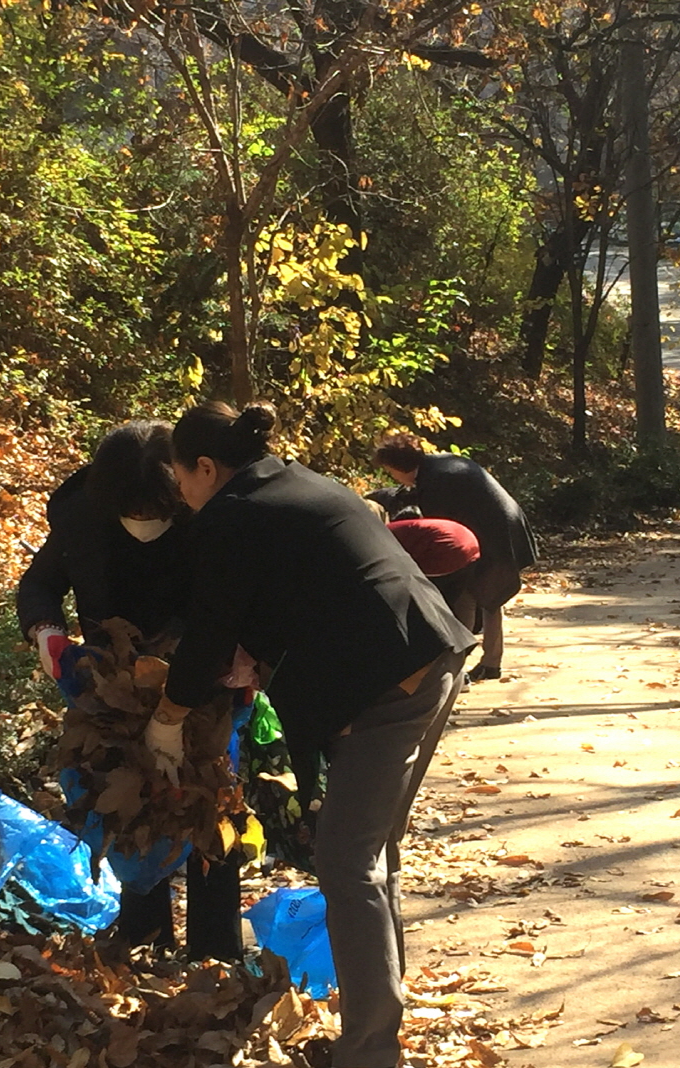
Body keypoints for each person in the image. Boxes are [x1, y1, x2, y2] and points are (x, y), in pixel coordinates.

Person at [153, 402, 475, 1068]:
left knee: (344, 862)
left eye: (180, 478)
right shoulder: (292, 484)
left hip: (394, 680)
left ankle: (368, 1052)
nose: (180, 495)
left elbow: (210, 626)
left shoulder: (231, 515)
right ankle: (376, 1024)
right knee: (367, 853)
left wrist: (169, 714)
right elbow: (307, 590)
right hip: (426, 653)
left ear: (206, 468)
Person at [16, 422, 245, 956]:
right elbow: (40, 583)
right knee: (129, 811)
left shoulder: (211, 513)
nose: (143, 521)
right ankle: (145, 941)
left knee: (210, 805)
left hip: (203, 682)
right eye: (132, 511)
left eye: (155, 511)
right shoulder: (83, 511)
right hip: (111, 691)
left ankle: (218, 950)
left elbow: (238, 597)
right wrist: (47, 632)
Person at [374, 434, 537, 683]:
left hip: (492, 534)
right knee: (490, 598)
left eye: (390, 471)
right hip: (504, 526)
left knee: (467, 598)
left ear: (399, 466)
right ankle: (490, 662)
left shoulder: (436, 481)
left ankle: (459, 665)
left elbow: (440, 529)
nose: (392, 476)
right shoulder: (440, 464)